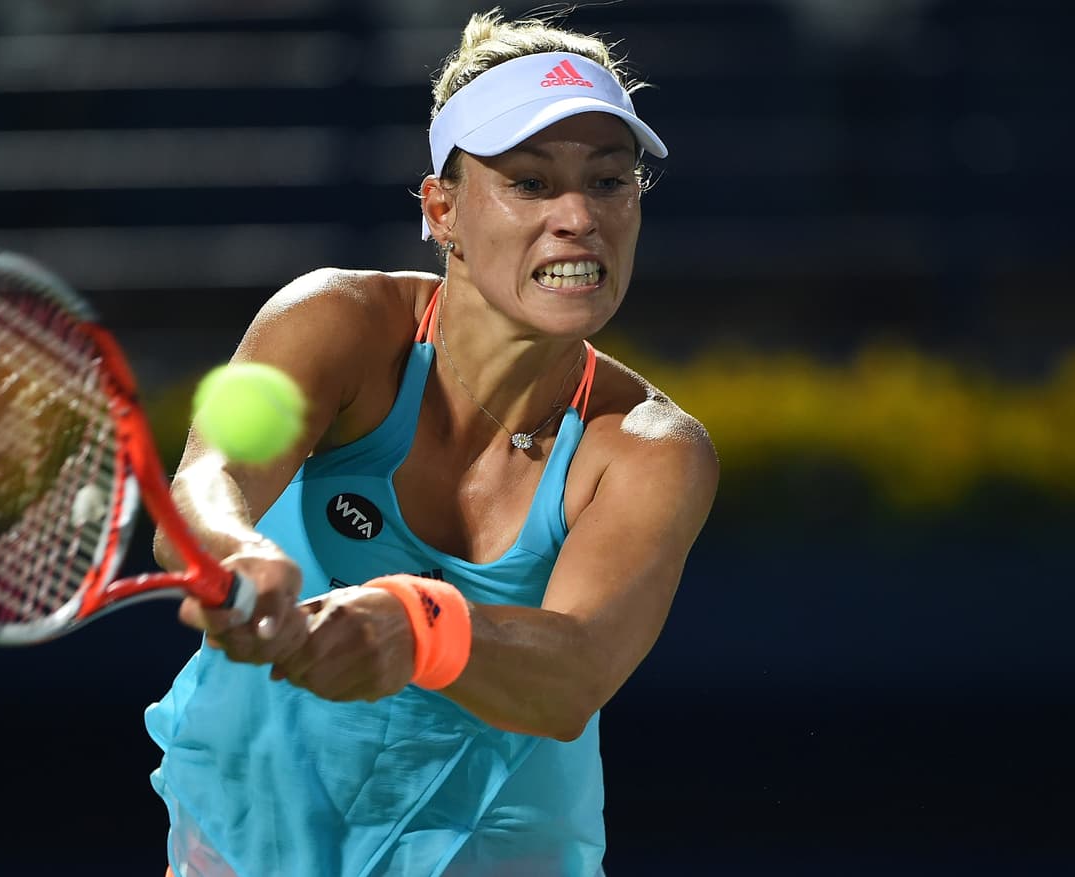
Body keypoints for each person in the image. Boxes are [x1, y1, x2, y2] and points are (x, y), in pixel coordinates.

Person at [146, 7, 719, 876]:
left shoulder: (652, 449)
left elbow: (576, 671)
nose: (578, 217)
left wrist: (420, 625)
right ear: (442, 210)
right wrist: (235, 552)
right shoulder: (332, 320)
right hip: (246, 837)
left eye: (609, 182)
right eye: (530, 183)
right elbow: (208, 480)